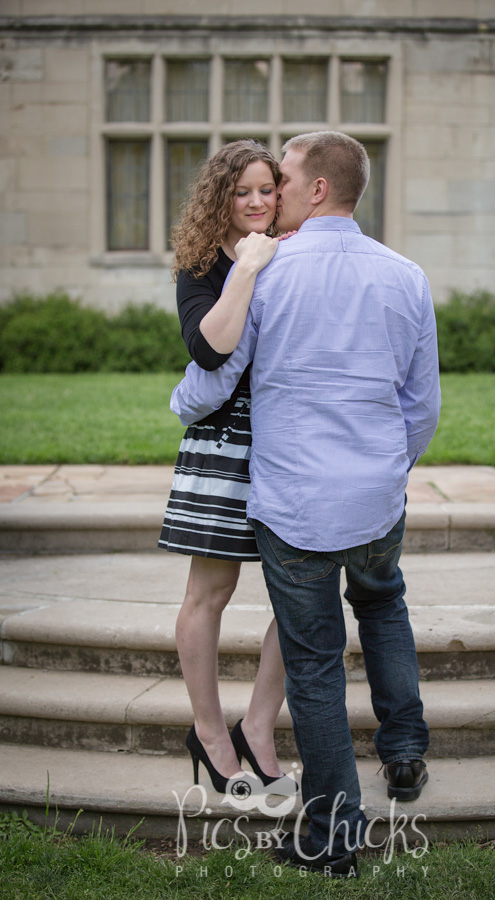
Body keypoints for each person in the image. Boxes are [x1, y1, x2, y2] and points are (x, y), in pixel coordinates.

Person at [171, 131, 441, 876]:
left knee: (316, 662)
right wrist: (388, 471)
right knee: (384, 604)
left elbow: (217, 379)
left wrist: (178, 401)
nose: (273, 192)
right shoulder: (407, 274)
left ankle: (333, 834)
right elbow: (423, 405)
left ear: (317, 189)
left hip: (294, 500)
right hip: (378, 497)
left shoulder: (268, 269)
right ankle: (406, 750)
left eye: (283, 178)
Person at [159, 139, 296, 797]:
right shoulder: (201, 263)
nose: (256, 203)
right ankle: (210, 733)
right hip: (223, 445)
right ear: (221, 197)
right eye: (241, 192)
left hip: (292, 442)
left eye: (267, 189)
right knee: (210, 593)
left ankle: (258, 725)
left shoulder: (301, 253)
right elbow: (208, 352)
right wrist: (245, 268)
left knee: (304, 594)